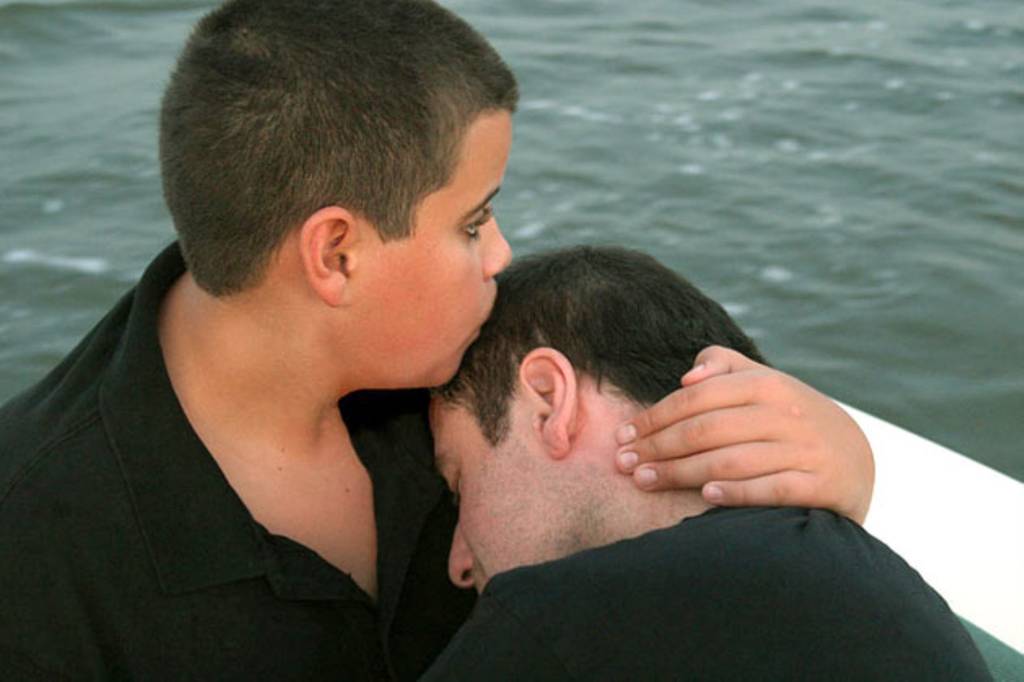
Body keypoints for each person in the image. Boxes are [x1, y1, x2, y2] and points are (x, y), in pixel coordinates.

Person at [0, 1, 873, 680]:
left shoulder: (466, 364)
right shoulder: (32, 550)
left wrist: (845, 464)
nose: (500, 255)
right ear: (336, 255)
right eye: (472, 222)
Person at [424, 246, 991, 681]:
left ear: (550, 401)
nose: (459, 563)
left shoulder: (551, 623)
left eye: (458, 481)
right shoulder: (886, 592)